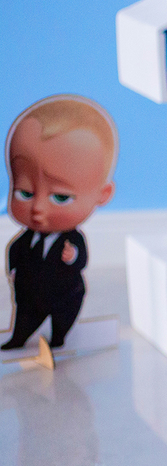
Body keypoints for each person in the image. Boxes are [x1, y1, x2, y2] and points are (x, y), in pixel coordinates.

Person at [3, 95, 117, 350]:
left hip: (63, 293)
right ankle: (18, 338)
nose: (38, 208)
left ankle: (59, 339)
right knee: (24, 318)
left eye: (61, 197)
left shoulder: (72, 240)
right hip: (29, 293)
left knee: (63, 317)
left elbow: (81, 259)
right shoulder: (26, 239)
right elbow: (15, 250)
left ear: (102, 194)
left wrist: (73, 256)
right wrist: (12, 269)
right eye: (25, 192)